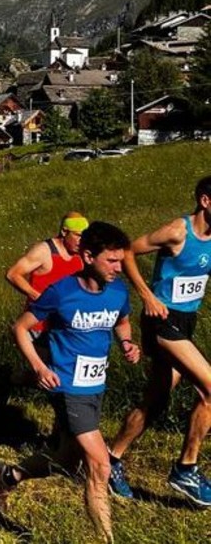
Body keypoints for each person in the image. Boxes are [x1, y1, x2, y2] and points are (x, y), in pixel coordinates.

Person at [0, 222, 140, 544]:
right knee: (99, 464)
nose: (119, 267)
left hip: (95, 386)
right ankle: (106, 539)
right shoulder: (61, 292)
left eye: (120, 260)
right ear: (88, 256)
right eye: (111, 261)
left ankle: (7, 475)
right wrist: (39, 367)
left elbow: (123, 322)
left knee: (68, 459)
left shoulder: (117, 291)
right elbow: (21, 328)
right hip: (67, 387)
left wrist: (128, 343)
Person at [108, 176, 211, 506]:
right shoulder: (177, 231)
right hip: (161, 322)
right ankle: (186, 468)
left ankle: (111, 459)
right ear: (206, 201)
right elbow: (127, 252)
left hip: (186, 321)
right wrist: (147, 296)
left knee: (154, 400)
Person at [4, 212, 89, 385]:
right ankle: (9, 380)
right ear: (65, 232)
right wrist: (39, 298)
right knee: (44, 373)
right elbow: (13, 274)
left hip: (66, 324)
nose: (81, 241)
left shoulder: (81, 255)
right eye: (78, 236)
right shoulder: (44, 251)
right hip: (39, 324)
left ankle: (10, 380)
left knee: (54, 372)